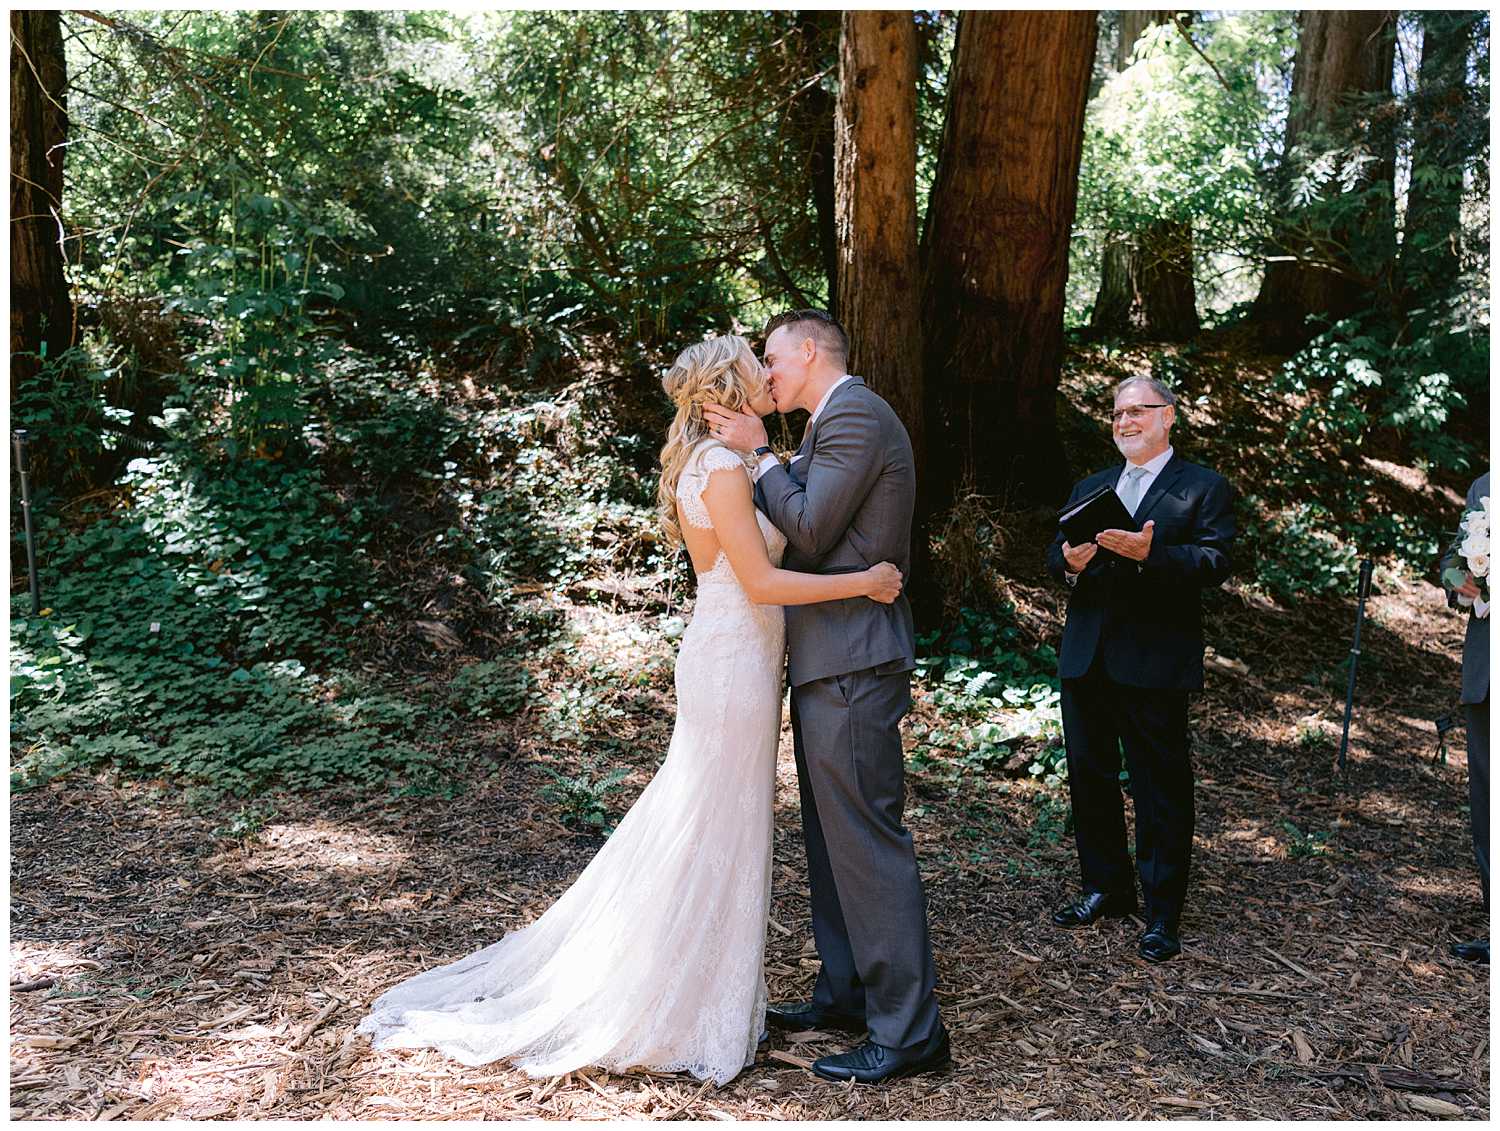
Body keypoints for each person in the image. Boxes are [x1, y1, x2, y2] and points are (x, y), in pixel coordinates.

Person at [356, 335, 905, 1084]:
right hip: (732, 661)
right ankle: (670, 995)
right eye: (758, 367)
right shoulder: (719, 469)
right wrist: (864, 580)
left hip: (747, 658)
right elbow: (764, 580)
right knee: (708, 820)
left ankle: (712, 986)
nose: (769, 376)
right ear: (731, 387)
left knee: (720, 820)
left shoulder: (741, 461)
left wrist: (765, 459)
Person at [703, 309, 948, 1085]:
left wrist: (760, 454)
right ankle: (845, 991)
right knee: (831, 836)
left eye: (771, 360)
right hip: (824, 660)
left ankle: (909, 1031)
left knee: (868, 840)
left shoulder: (857, 418)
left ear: (809, 352)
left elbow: (807, 528)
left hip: (853, 660)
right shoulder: (825, 426)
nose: (764, 375)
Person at [1044, 376, 1234, 963]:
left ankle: (1161, 911)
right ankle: (1106, 887)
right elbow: (1057, 553)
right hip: (1087, 655)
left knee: (1160, 787)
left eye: (1138, 411)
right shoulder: (1092, 485)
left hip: (1154, 659)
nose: (1125, 421)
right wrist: (1070, 562)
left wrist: (1153, 554)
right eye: (1118, 413)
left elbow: (1216, 561)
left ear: (1169, 417)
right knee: (1089, 777)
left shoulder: (1203, 487)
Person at [1441, 470, 1489, 964]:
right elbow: (1451, 562)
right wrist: (1464, 581)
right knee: (1488, 805)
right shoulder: (1485, 487)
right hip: (1488, 673)